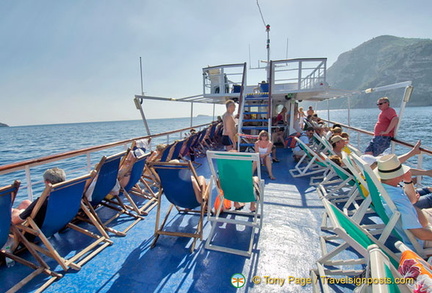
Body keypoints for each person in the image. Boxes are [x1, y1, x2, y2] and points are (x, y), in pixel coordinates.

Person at [375, 154, 432, 250]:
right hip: (422, 238)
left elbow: (412, 200)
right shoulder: (398, 200)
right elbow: (420, 234)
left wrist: (408, 181)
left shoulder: (386, 189)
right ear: (399, 174)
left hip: (420, 219)